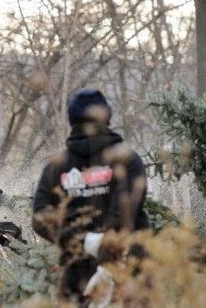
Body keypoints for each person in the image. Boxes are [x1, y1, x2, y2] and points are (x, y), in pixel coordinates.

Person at [32, 89, 149, 307]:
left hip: (79, 281)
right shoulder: (128, 159)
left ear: (71, 120)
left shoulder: (56, 167)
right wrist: (98, 242)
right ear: (107, 117)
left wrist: (82, 241)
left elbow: (41, 217)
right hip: (130, 276)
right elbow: (124, 214)